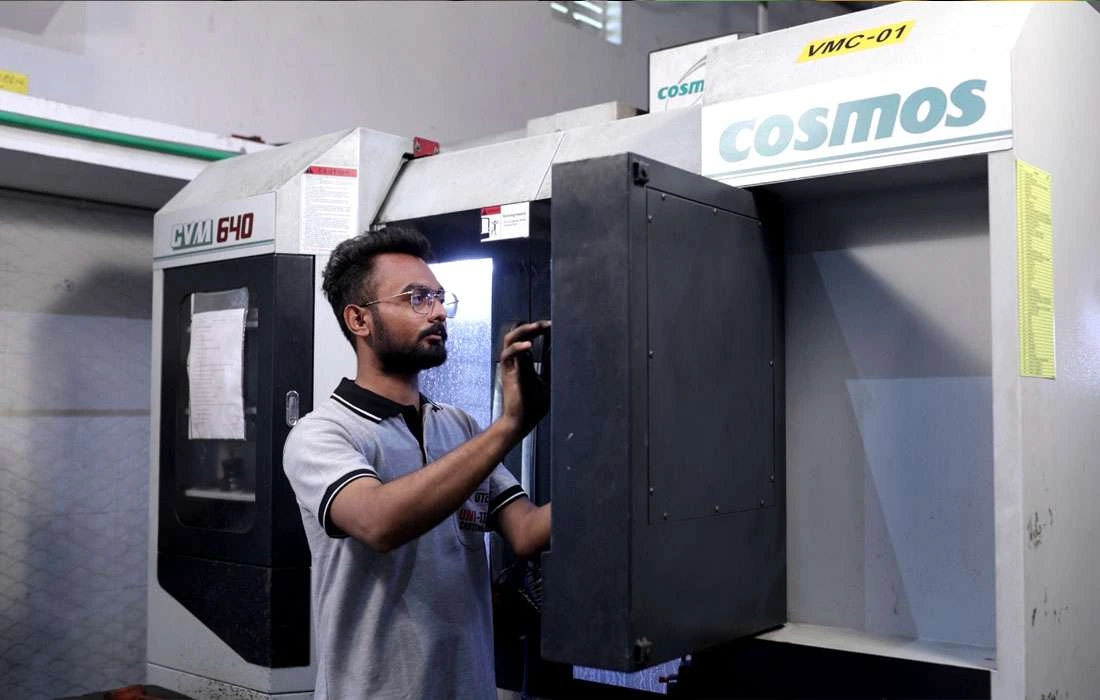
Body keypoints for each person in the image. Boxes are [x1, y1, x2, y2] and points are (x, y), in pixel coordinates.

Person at [283, 226, 551, 699]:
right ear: (359, 320)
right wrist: (510, 425)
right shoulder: (322, 434)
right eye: (417, 299)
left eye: (440, 298)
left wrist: (620, 471)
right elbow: (379, 522)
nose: (439, 312)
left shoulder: (460, 428)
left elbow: (527, 531)